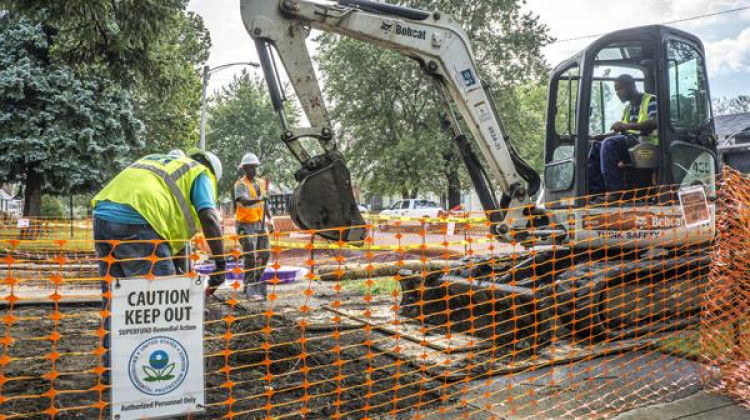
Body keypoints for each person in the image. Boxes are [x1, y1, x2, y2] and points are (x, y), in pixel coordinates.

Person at [91, 148, 226, 379]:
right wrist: (221, 265)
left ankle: (112, 370)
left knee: (117, 300)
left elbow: (171, 231)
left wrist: (180, 270)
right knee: (160, 305)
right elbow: (209, 217)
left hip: (103, 218)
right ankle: (157, 376)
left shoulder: (161, 164)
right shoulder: (201, 173)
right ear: (213, 171)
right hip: (139, 223)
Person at [588, 74, 659, 195]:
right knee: (595, 146)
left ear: (631, 86)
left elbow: (654, 122)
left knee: (609, 144)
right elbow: (619, 131)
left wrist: (626, 126)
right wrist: (595, 137)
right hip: (631, 144)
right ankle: (597, 191)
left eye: (619, 88)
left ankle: (615, 192)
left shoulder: (651, 100)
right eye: (616, 89)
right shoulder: (628, 108)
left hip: (648, 144)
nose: (617, 93)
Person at [234, 152, 273, 300]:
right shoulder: (240, 185)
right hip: (245, 225)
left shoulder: (261, 183)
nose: (254, 170)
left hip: (260, 223)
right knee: (250, 255)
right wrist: (260, 198)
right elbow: (243, 201)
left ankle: (255, 280)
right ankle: (249, 285)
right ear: (244, 169)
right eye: (251, 168)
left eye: (255, 167)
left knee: (265, 253)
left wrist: (272, 219)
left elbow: (266, 203)